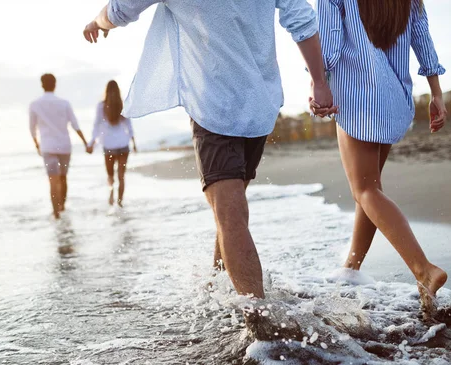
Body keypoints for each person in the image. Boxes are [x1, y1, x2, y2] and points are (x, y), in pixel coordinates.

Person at [83, 0, 336, 301]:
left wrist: (96, 24)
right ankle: (217, 285)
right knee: (232, 208)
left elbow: (119, 11)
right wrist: (319, 81)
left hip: (213, 108)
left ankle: (260, 323)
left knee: (229, 213)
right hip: (260, 106)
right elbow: (301, 18)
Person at [316, 0, 448, 315]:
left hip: (356, 96)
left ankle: (424, 270)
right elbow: (423, 39)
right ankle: (351, 267)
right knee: (370, 187)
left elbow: (330, 45)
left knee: (365, 190)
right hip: (392, 97)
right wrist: (437, 92)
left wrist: (318, 82)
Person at [29, 74, 90, 219]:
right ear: (55, 84)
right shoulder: (64, 103)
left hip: (48, 147)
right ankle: (62, 207)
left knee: (53, 180)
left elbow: (32, 128)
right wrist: (85, 142)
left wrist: (37, 144)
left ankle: (56, 214)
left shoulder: (35, 104)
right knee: (63, 178)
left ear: (42, 85)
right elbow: (75, 125)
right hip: (64, 146)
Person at [87, 80, 137, 207]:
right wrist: (134, 142)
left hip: (109, 146)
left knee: (110, 175)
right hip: (123, 145)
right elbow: (129, 125)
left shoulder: (101, 106)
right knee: (121, 176)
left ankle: (111, 195)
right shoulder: (123, 105)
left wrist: (92, 142)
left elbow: (96, 125)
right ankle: (120, 203)